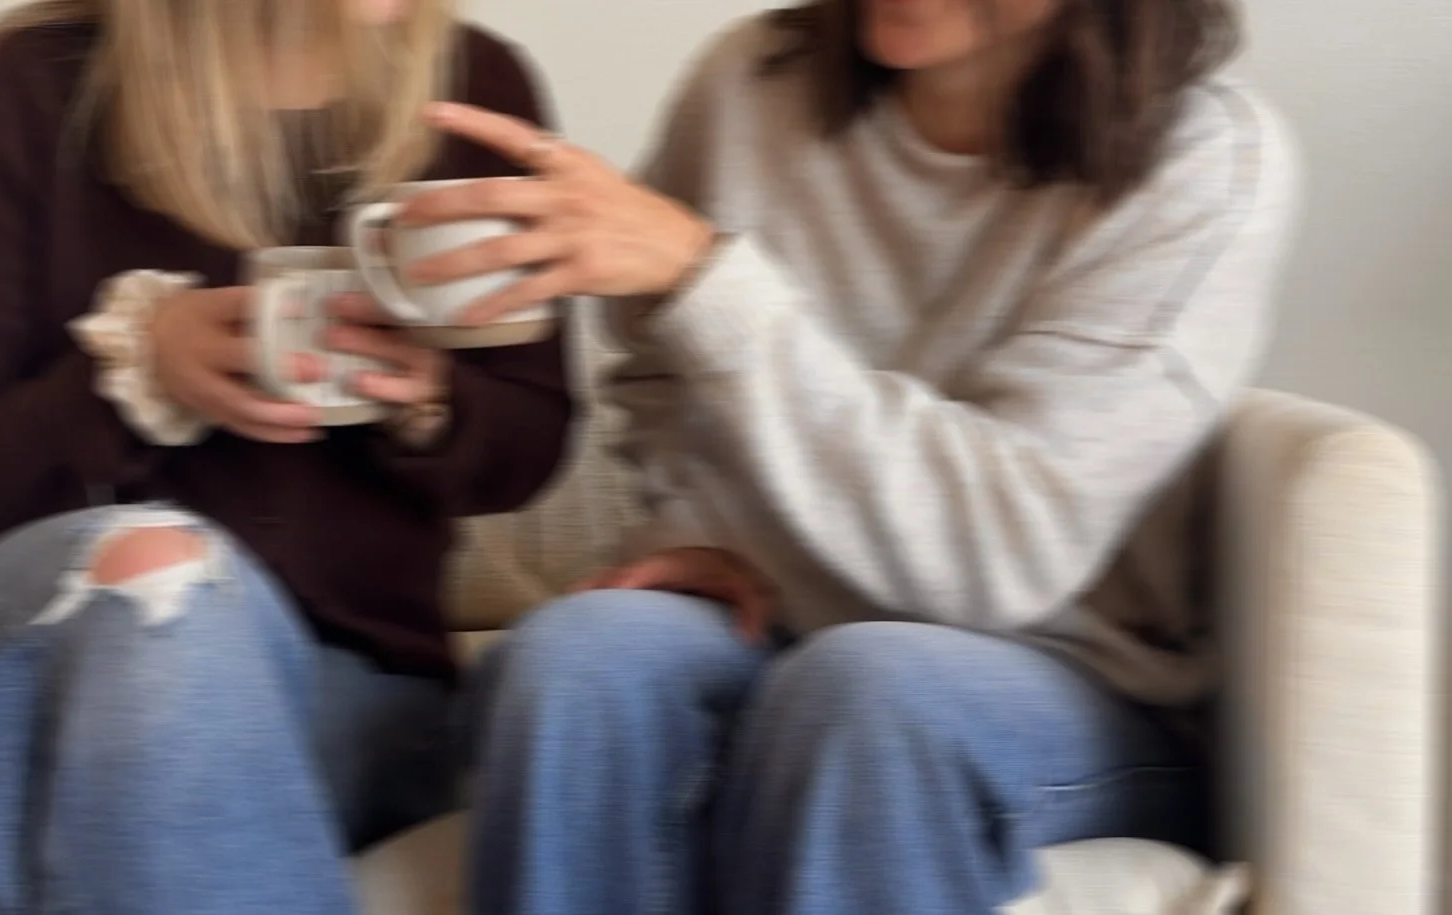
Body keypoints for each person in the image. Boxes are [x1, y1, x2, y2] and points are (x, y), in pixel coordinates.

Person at [399, 0, 1298, 912]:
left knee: (868, 692)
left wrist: (709, 280)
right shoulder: (754, 78)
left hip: (1062, 673)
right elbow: (658, 368)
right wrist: (698, 523)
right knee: (577, 663)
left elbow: (1001, 556)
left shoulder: (1200, 162)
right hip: (775, 621)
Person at [0, 1, 571, 913]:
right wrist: (135, 370)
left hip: (360, 694)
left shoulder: (479, 86)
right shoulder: (31, 83)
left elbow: (532, 447)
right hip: (58, 637)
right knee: (162, 571)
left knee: (146, 673)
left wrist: (429, 401)